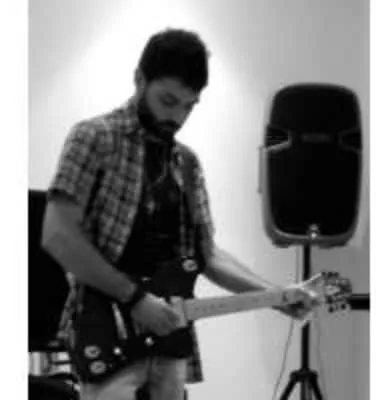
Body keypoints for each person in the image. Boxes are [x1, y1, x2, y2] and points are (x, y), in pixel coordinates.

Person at [42, 28, 317, 400]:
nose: (177, 116)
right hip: (107, 334)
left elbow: (208, 255)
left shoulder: (186, 163)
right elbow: (58, 235)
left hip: (170, 337)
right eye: (168, 101)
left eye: (189, 106)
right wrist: (136, 299)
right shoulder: (94, 138)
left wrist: (277, 296)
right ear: (139, 79)